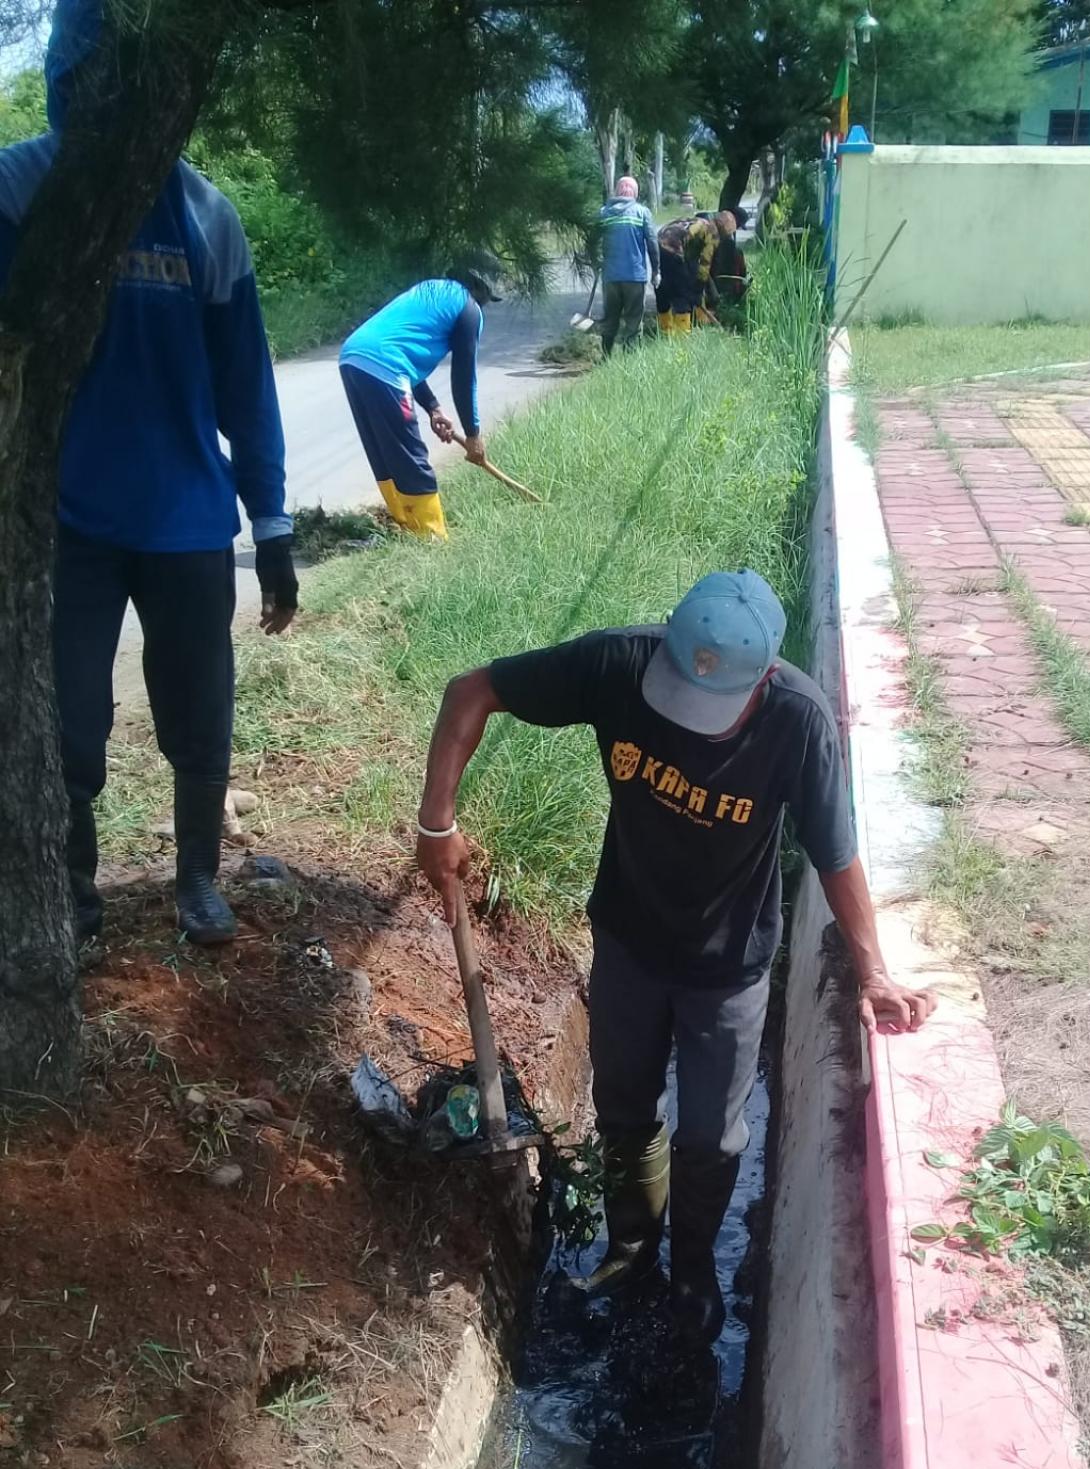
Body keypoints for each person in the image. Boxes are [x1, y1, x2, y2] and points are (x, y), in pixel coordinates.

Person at [414, 569, 935, 1342]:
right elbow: (472, 690)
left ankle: (693, 1273)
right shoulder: (619, 664)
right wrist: (436, 824)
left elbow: (836, 854)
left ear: (761, 680)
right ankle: (630, 1247)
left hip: (729, 966)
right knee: (623, 1103)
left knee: (713, 1136)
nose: (692, 723)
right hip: (629, 940)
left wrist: (874, 972)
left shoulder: (796, 721)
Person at [0, 0, 298, 948]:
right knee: (67, 725)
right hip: (67, 524)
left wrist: (273, 527)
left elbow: (247, 387)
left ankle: (198, 879)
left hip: (188, 523)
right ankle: (74, 900)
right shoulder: (18, 190)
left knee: (200, 713)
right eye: (82, 71)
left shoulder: (208, 217)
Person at [339, 262, 500, 542]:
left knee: (384, 449)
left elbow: (402, 353)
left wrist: (433, 408)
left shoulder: (429, 290)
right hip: (385, 364)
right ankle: (430, 537)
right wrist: (473, 435)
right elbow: (464, 377)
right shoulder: (469, 309)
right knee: (409, 452)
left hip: (353, 358)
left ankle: (405, 525)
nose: (484, 305)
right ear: (479, 288)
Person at [596, 175, 659, 356]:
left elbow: (592, 241)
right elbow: (652, 243)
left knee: (610, 319)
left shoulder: (603, 213)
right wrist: (656, 271)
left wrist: (595, 262)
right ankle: (629, 359)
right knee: (633, 320)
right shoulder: (642, 213)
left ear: (617, 192)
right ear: (635, 194)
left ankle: (606, 357)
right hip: (634, 277)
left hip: (610, 277)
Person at [655, 209, 737, 335]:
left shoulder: (699, 222)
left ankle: (664, 331)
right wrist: (698, 289)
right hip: (674, 248)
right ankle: (681, 337)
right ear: (724, 230)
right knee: (682, 295)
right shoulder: (712, 232)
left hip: (658, 245)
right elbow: (705, 263)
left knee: (663, 289)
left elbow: (689, 254)